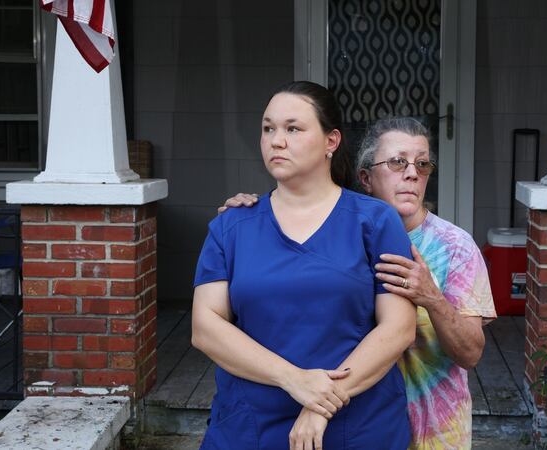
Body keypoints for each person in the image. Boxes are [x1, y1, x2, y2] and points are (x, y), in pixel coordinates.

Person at [221, 117, 497, 450]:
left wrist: (432, 297)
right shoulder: (336, 232)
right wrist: (250, 216)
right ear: (365, 178)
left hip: (434, 432)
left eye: (422, 165)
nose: (412, 173)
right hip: (354, 425)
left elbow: (471, 353)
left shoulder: (455, 247)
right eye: (397, 162)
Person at [192, 82, 416, 450]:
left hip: (356, 425)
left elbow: (398, 328)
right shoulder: (230, 226)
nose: (276, 141)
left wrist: (320, 404)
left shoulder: (375, 222)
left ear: (331, 141)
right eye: (268, 129)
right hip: (250, 427)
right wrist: (293, 379)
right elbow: (205, 327)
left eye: (293, 128)